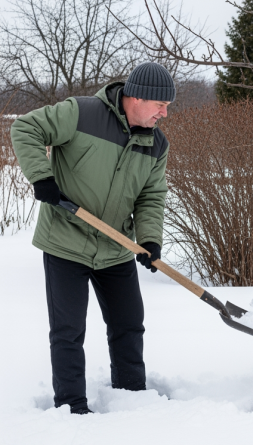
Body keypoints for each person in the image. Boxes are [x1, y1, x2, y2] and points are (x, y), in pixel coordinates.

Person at [11, 62, 175, 415]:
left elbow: (151, 196)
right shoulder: (81, 113)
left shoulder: (156, 144)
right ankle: (72, 408)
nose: (164, 113)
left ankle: (132, 397)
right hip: (65, 241)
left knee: (129, 324)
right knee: (68, 331)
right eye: (160, 105)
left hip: (116, 247)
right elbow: (25, 128)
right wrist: (41, 176)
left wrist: (149, 240)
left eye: (167, 107)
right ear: (136, 97)